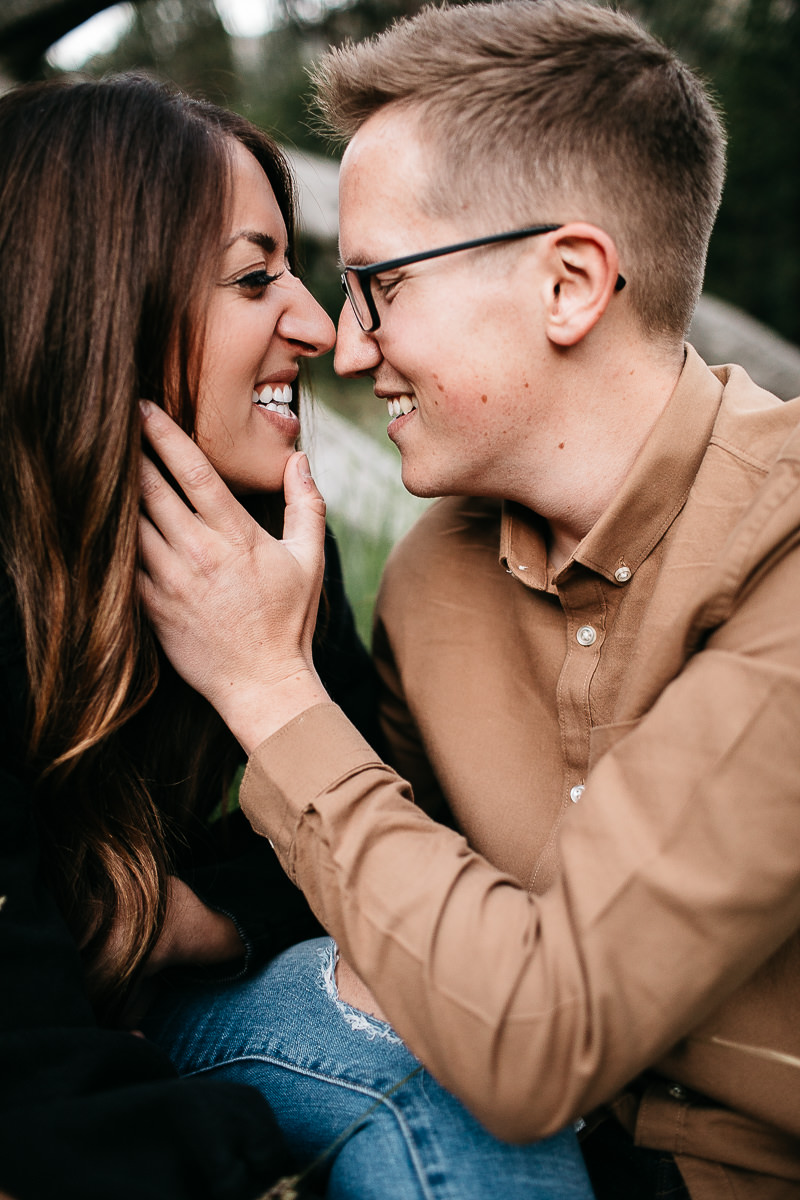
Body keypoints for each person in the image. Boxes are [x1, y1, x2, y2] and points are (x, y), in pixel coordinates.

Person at [138, 3, 800, 1199]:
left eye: (379, 286)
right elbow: (375, 898)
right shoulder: (435, 568)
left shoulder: (788, 557)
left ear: (566, 284)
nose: (345, 349)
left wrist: (266, 683)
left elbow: (533, 1037)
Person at [0, 70, 594, 1200]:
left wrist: (200, 919)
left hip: (144, 1029)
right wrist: (229, 1144)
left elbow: (378, 851)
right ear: (93, 301)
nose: (320, 329)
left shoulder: (259, 549)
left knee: (424, 1021)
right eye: (251, 277)